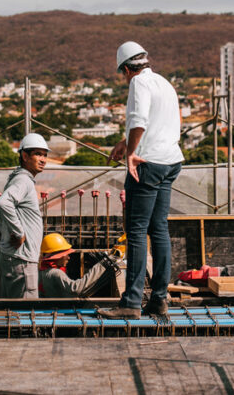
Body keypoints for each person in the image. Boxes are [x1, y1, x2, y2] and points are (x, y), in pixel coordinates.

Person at [98, 42, 182, 319]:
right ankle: (159, 300)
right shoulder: (163, 83)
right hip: (170, 162)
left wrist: (131, 152)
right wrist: (125, 142)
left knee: (135, 232)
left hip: (148, 165)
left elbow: (140, 121)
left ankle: (131, 303)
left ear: (125, 69)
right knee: (159, 230)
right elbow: (162, 122)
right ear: (144, 61)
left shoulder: (139, 84)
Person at [0, 132, 48, 298]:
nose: (43, 159)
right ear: (25, 156)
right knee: (25, 313)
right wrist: (19, 233)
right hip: (22, 260)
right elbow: (3, 203)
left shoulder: (20, 179)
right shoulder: (23, 180)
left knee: (12, 312)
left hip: (18, 258)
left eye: (45, 155)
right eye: (38, 154)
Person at [39, 232, 121, 299]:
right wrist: (101, 265)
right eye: (66, 254)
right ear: (58, 256)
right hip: (62, 309)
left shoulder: (43, 271)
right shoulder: (55, 273)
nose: (68, 257)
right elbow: (76, 288)